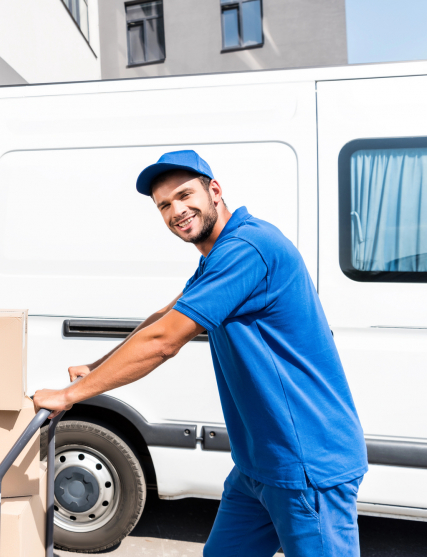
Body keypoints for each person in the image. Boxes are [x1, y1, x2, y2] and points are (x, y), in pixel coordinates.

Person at [32, 150, 368, 556]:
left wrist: (70, 396)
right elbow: (165, 317)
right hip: (258, 463)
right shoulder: (222, 253)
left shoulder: (248, 247)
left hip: (305, 462)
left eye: (185, 195)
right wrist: (95, 367)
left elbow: (164, 342)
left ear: (214, 190)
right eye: (165, 205)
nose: (177, 210)